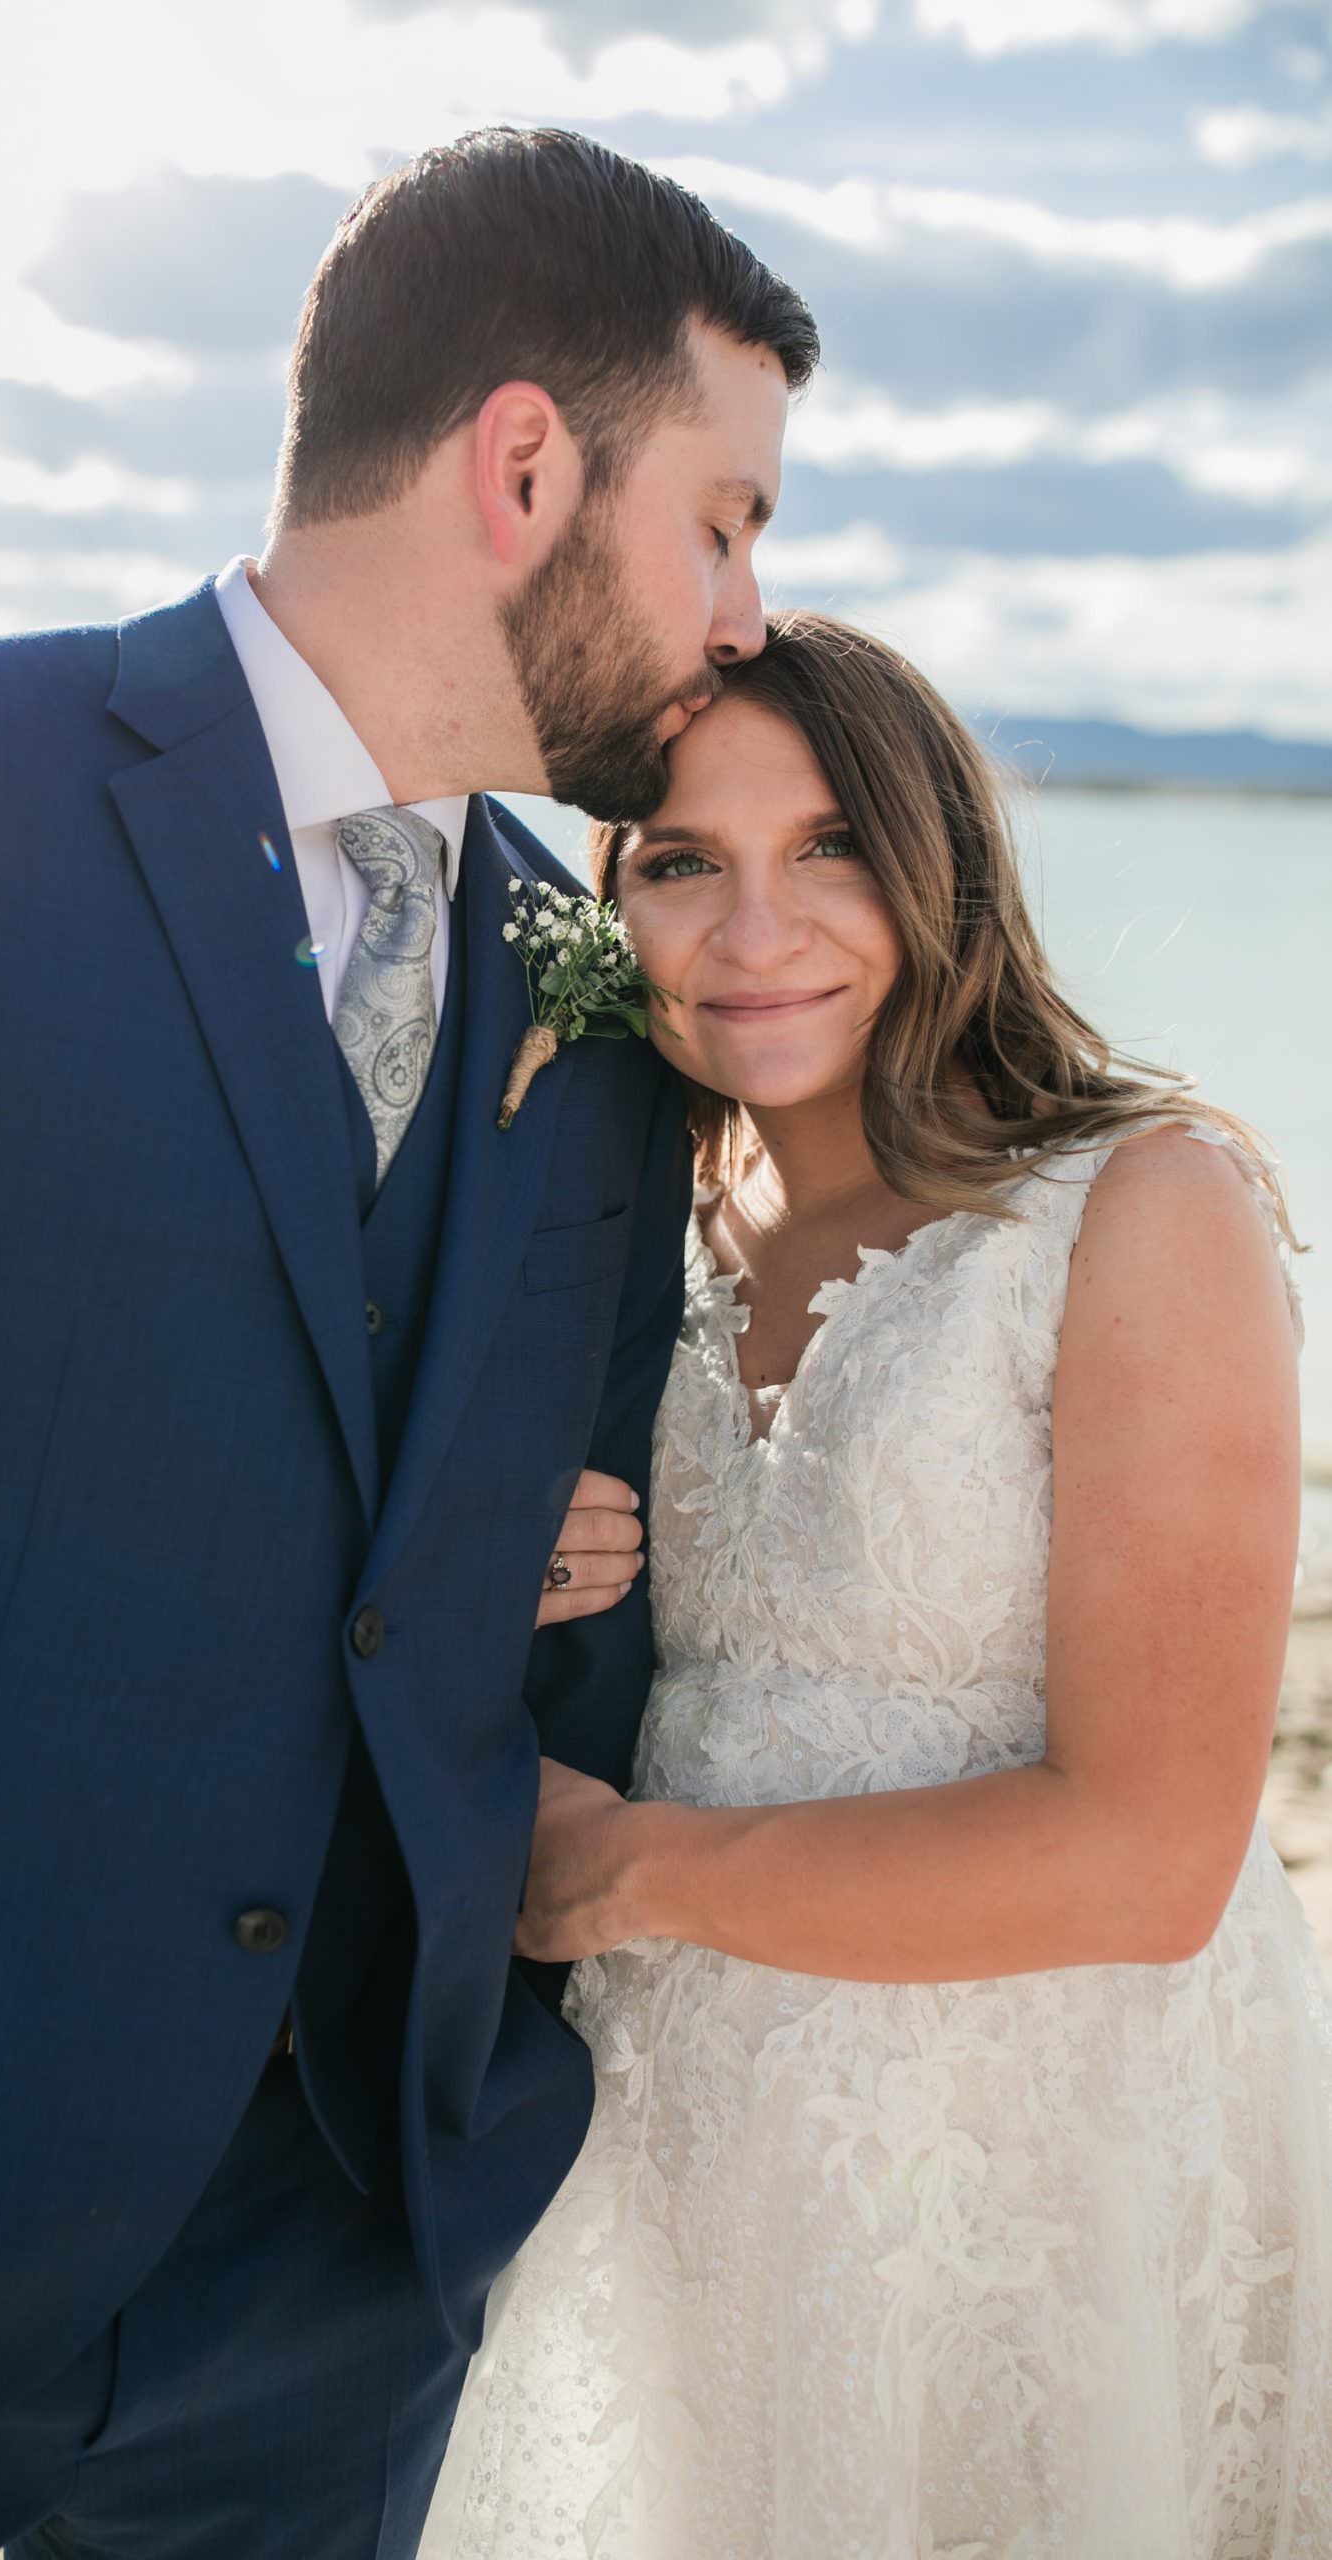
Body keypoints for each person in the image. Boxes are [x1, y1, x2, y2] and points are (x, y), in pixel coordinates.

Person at [0, 130, 817, 2560]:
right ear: (517, 466)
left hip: (335, 2311)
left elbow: (514, 1612)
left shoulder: (585, 1010)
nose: (741, 615)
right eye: (722, 519)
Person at [421, 613, 1332, 2558]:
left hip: (1031, 2150)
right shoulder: (616, 1221)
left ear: (936, 868)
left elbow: (1150, 1850)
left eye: (824, 844)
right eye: (679, 859)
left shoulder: (1130, 1208)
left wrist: (621, 1869)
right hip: (687, 2140)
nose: (755, 929)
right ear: (612, 904)